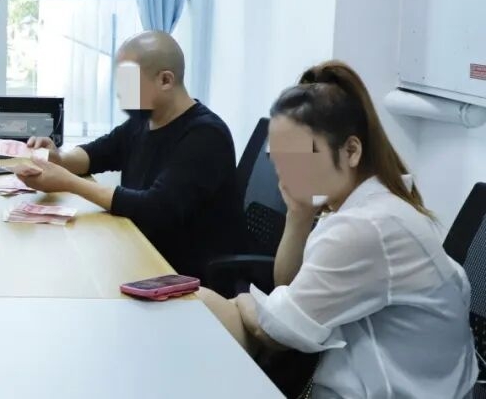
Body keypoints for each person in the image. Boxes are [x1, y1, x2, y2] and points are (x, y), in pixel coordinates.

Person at [196, 61, 477, 398]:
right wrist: (299, 215)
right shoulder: (360, 205)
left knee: (203, 311)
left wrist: (243, 300)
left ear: (351, 151)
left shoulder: (365, 226)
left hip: (389, 390)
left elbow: (278, 331)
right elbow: (290, 287)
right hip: (375, 376)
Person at [16, 31, 243, 281]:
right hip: (139, 251)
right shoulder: (145, 121)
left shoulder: (205, 136)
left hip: (182, 275)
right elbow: (96, 154)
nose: (120, 92)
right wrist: (58, 159)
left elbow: (154, 209)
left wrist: (69, 182)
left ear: (165, 80)